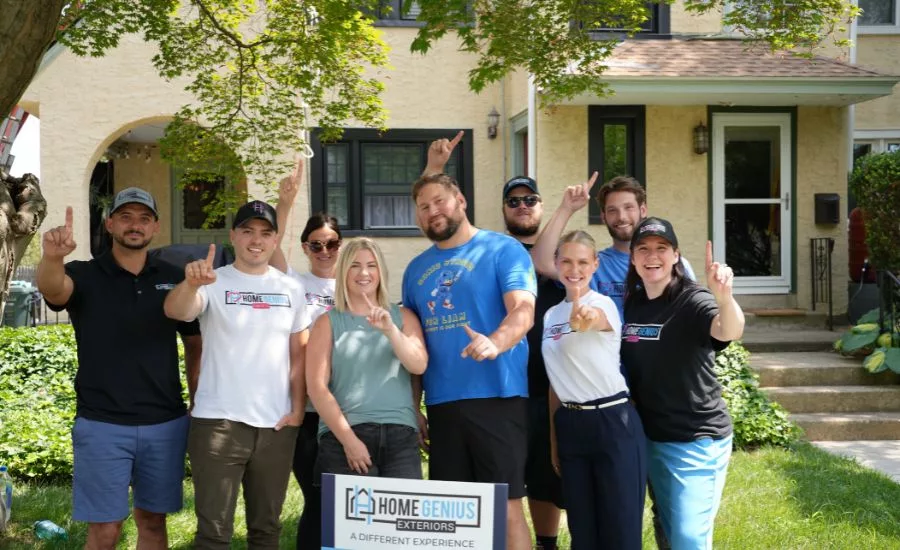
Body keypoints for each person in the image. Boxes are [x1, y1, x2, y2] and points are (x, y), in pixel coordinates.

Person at [36, 188, 201, 550]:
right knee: (105, 531)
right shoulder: (84, 274)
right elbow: (54, 289)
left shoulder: (174, 277)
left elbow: (194, 342)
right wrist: (51, 257)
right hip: (102, 424)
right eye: (125, 216)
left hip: (165, 423)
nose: (135, 225)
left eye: (144, 218)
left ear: (155, 226)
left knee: (154, 525)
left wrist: (197, 397)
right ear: (110, 223)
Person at [403, 132, 537, 550]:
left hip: (498, 398)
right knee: (452, 515)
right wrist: (414, 407)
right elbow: (415, 344)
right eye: (423, 208)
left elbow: (524, 312)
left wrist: (495, 342)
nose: (432, 212)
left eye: (439, 201)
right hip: (443, 405)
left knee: (507, 506)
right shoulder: (415, 270)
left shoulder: (503, 250)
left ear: (460, 201)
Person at [164, 200, 311, 550]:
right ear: (233, 236)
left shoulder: (291, 288)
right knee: (213, 534)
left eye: (265, 233)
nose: (255, 240)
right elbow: (175, 310)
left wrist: (298, 410)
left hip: (276, 426)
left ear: (275, 240)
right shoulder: (214, 282)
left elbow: (299, 353)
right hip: (218, 424)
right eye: (247, 231)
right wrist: (190, 285)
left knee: (267, 531)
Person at [621, 217, 744, 550]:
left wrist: (724, 298)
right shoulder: (632, 303)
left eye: (662, 248)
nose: (652, 256)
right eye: (643, 249)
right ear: (633, 258)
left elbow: (727, 331)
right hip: (650, 437)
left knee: (689, 537)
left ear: (675, 255)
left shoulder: (692, 300)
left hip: (695, 439)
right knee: (668, 526)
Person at [541, 230, 646, 549]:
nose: (575, 269)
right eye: (567, 261)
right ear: (556, 263)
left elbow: (593, 320)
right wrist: (554, 439)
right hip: (570, 426)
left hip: (613, 423)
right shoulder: (549, 316)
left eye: (583, 262)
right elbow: (555, 382)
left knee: (620, 532)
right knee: (582, 534)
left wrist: (584, 316)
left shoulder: (603, 306)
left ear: (596, 264)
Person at [307, 238, 428, 481]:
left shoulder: (403, 316)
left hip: (400, 437)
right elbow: (317, 388)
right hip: (346, 435)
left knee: (400, 519)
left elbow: (418, 365)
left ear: (380, 271)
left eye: (371, 265)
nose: (364, 273)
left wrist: (390, 331)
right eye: (355, 265)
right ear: (343, 272)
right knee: (349, 520)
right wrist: (349, 441)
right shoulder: (327, 322)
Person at [271, 158, 342, 550]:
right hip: (307, 409)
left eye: (332, 243)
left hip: (347, 406)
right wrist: (285, 204)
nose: (325, 250)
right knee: (317, 498)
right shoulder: (294, 282)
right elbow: (272, 246)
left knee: (342, 499)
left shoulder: (355, 288)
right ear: (306, 248)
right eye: (316, 244)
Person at [501, 176, 565, 550]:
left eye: (530, 199)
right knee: (506, 477)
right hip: (505, 386)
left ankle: (546, 543)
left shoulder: (559, 256)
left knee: (546, 476)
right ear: (504, 210)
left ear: (542, 206)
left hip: (550, 387)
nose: (522, 205)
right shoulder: (492, 250)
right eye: (514, 201)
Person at [532, 174, 695, 317]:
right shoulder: (595, 265)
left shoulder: (673, 264)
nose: (621, 217)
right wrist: (566, 208)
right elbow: (542, 262)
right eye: (612, 210)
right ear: (603, 216)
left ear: (643, 210)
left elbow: (693, 313)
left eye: (628, 208)